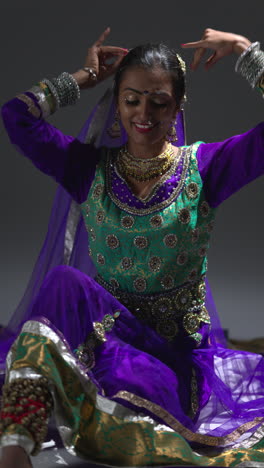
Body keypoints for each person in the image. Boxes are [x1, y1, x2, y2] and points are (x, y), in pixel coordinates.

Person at [0, 27, 264, 468]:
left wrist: (244, 52)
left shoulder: (206, 170)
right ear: (117, 102)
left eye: (158, 102)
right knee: (64, 282)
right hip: (108, 337)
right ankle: (15, 447)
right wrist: (82, 77)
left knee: (134, 388)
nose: (144, 113)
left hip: (173, 358)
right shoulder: (90, 170)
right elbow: (16, 117)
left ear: (177, 106)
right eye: (132, 99)